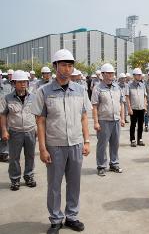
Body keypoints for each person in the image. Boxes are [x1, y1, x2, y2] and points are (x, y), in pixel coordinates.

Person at [31, 49, 91, 233]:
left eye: (70, 65)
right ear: (55, 66)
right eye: (63, 65)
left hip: (75, 144)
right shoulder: (44, 91)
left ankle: (72, 216)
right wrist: (42, 148)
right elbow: (40, 121)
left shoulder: (80, 90)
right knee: (54, 184)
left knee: (74, 183)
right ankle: (56, 219)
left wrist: (87, 141)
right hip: (55, 145)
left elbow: (83, 117)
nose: (67, 69)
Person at [0, 70, 37, 191]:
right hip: (15, 132)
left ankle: (29, 176)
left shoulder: (33, 97)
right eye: (20, 82)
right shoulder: (7, 98)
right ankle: (15, 179)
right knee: (14, 157)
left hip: (30, 131)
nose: (23, 84)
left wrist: (38, 129)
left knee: (30, 156)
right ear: (13, 83)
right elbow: (3, 115)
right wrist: (4, 130)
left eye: (25, 82)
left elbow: (39, 115)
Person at [91, 63, 125, 176]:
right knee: (102, 144)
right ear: (103, 74)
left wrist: (123, 118)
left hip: (116, 120)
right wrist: (96, 122)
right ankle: (101, 166)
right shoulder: (97, 88)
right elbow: (94, 106)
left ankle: (114, 164)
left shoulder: (117, 87)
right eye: (109, 73)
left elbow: (121, 103)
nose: (111, 75)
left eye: (112, 73)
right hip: (103, 120)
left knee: (115, 143)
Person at [126, 68, 147, 147]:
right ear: (134, 75)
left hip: (141, 108)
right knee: (133, 125)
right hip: (133, 108)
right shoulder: (129, 85)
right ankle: (133, 140)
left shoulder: (142, 85)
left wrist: (145, 106)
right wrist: (129, 108)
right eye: (138, 75)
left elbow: (145, 96)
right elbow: (127, 97)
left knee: (141, 124)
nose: (139, 76)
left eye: (140, 75)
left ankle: (140, 139)